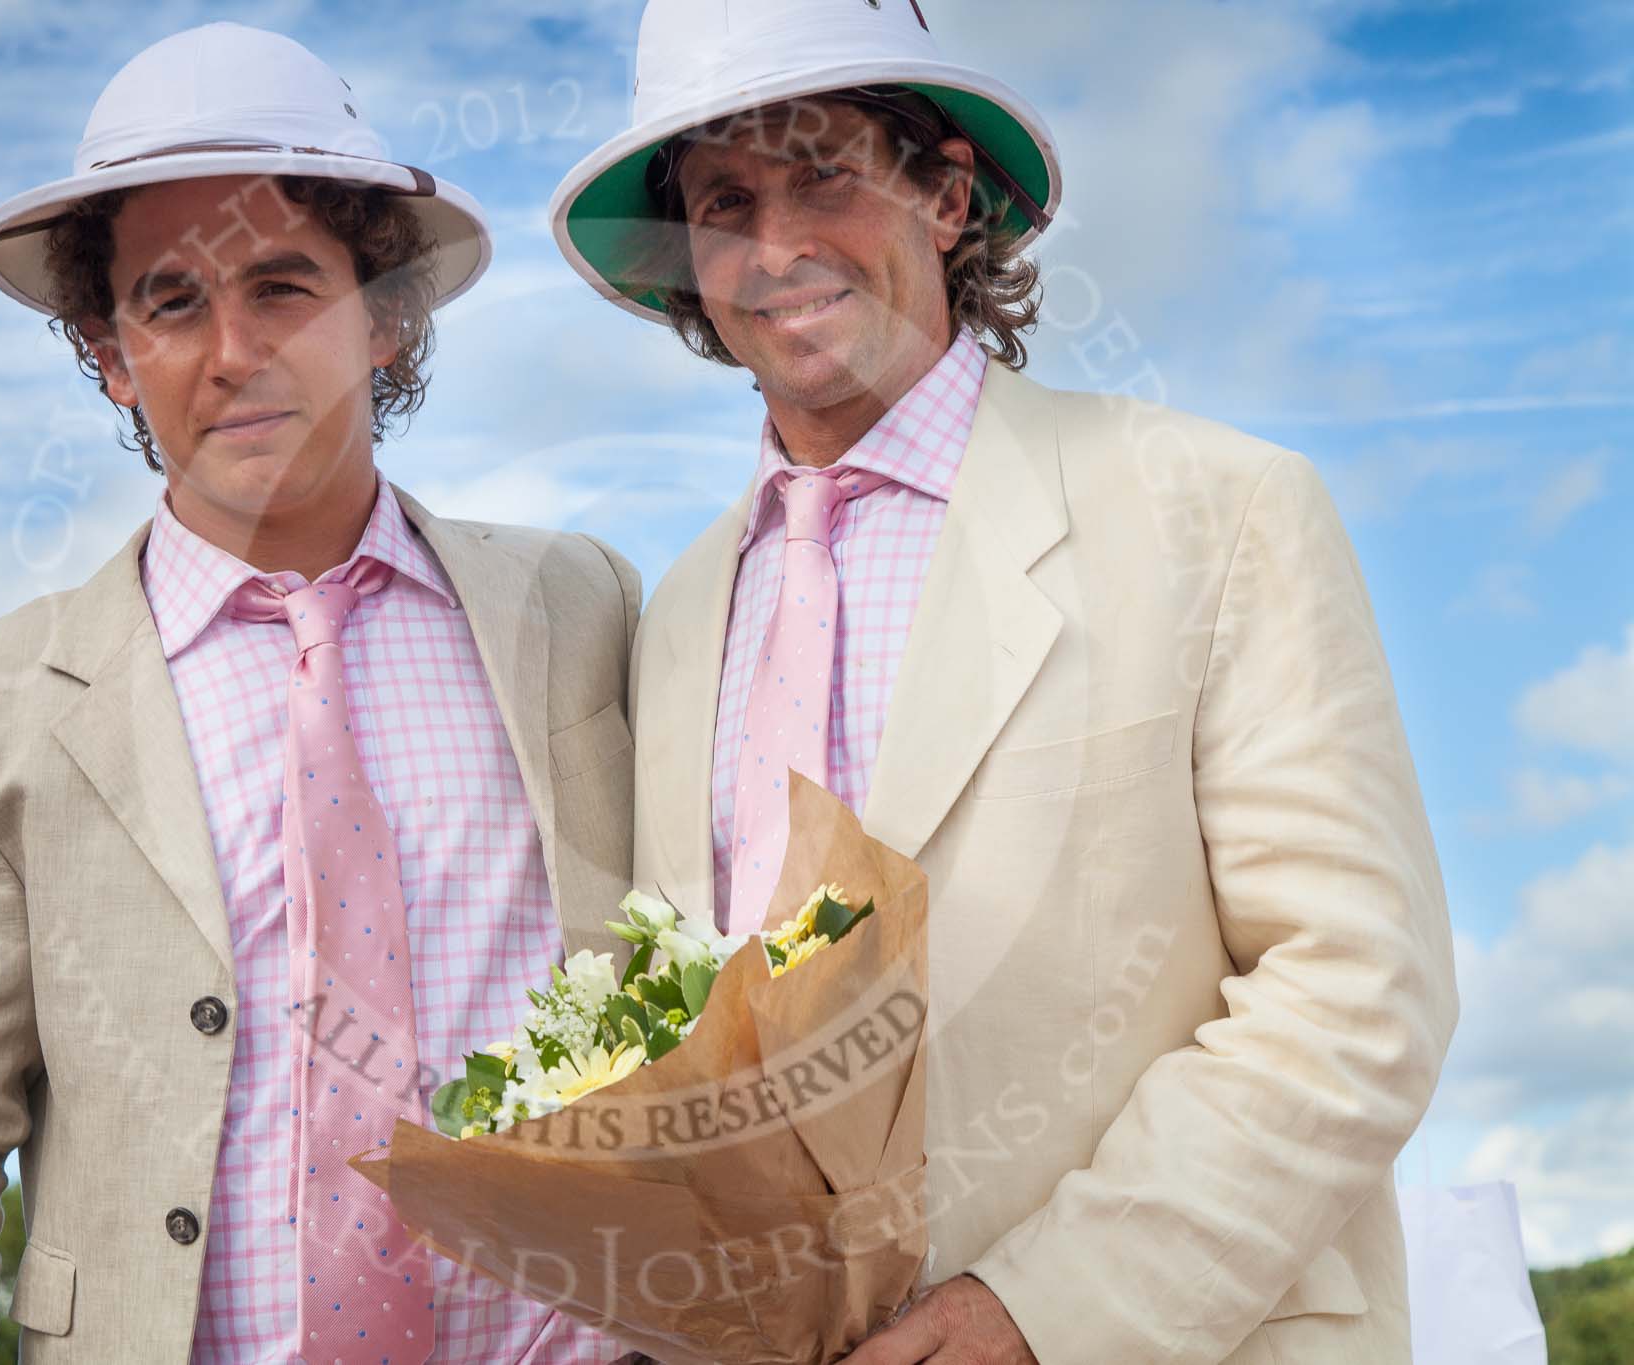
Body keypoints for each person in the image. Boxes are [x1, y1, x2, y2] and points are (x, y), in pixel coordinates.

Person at [551, 2, 1459, 1361]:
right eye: (726, 201)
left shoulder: (1219, 506)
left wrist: (1044, 1311)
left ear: (947, 194)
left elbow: (1357, 989)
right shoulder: (674, 615)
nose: (779, 244)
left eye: (825, 176)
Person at [0, 24, 640, 1364]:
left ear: (384, 315)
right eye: (171, 300)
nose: (232, 350)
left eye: (282, 287)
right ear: (108, 352)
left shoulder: (579, 613)